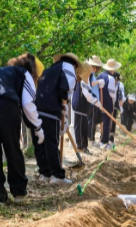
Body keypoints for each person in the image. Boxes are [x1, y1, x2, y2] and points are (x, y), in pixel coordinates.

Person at [0, 53, 44, 204]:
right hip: (6, 106)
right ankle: (19, 193)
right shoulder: (25, 74)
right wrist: (38, 127)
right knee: (12, 148)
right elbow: (27, 104)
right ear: (34, 71)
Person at [34, 52, 83, 185]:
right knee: (51, 143)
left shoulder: (49, 70)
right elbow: (64, 91)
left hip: (36, 109)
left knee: (40, 143)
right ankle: (57, 176)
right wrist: (63, 112)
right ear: (75, 65)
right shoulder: (69, 69)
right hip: (51, 110)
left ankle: (45, 173)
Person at [72, 62, 104, 154]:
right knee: (80, 127)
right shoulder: (83, 80)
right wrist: (98, 103)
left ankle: (84, 146)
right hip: (80, 106)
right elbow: (88, 95)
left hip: (83, 108)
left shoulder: (86, 79)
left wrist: (98, 103)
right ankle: (81, 146)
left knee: (84, 127)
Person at [98, 59, 121, 149]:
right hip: (107, 103)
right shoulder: (111, 78)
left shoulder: (100, 75)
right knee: (107, 123)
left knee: (102, 121)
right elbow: (112, 94)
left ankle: (101, 140)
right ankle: (104, 142)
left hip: (99, 102)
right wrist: (114, 103)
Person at [86, 56, 104, 146]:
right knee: (91, 120)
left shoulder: (93, 75)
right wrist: (98, 82)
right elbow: (88, 84)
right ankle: (91, 139)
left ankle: (92, 138)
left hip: (96, 101)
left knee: (94, 120)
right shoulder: (88, 73)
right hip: (91, 101)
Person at [109, 72, 125, 146]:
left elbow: (120, 95)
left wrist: (120, 104)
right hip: (108, 106)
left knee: (113, 123)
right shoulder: (109, 83)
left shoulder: (119, 85)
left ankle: (111, 140)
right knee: (107, 122)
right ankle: (104, 138)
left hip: (114, 107)